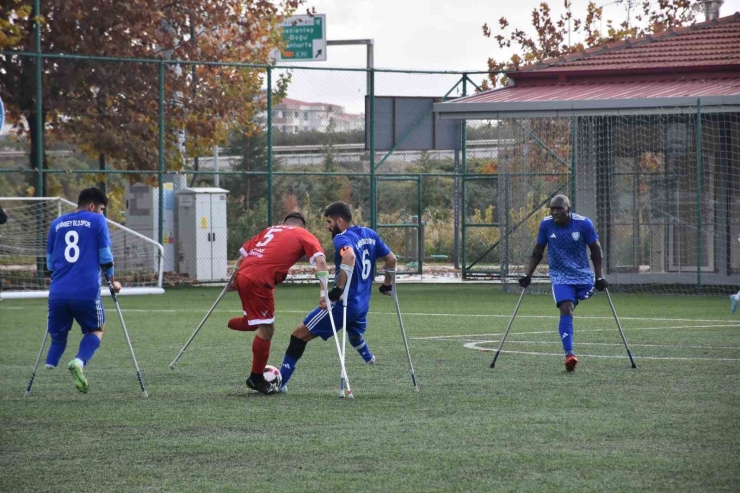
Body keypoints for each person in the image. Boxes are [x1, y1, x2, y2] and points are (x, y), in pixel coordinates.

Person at [279, 201, 397, 393]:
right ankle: (368, 357)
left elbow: (349, 256)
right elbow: (392, 259)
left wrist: (338, 289)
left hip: (345, 303)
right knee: (354, 332)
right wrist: (387, 285)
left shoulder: (342, 238)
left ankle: (280, 382)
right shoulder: (370, 234)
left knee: (298, 335)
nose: (327, 227)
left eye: (328, 222)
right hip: (362, 303)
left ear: (339, 221)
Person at [227, 211, 328, 395]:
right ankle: (256, 378)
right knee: (267, 329)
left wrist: (232, 280)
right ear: (303, 226)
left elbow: (241, 258)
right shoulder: (303, 234)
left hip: (244, 274)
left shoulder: (269, 230)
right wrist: (324, 293)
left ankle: (241, 322)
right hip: (260, 280)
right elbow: (321, 261)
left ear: (283, 223)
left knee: (257, 323)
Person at [518, 194, 606, 372]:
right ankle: (569, 355)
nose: (555, 212)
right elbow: (538, 250)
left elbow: (595, 248)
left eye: (559, 208)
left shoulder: (583, 224)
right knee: (566, 307)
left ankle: (576, 297)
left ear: (569, 210)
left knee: (574, 301)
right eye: (552, 208)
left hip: (583, 275)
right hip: (560, 275)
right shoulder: (546, 224)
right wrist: (528, 275)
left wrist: (599, 277)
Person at [45, 187, 121, 393]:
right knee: (96, 329)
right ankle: (79, 361)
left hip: (58, 291)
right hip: (86, 291)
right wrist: (112, 282)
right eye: (102, 208)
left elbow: (50, 263)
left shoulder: (56, 223)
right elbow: (105, 257)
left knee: (59, 332)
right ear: (91, 206)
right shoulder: (98, 221)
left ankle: (51, 360)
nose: (102, 213)